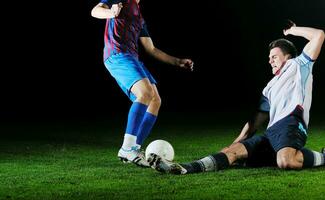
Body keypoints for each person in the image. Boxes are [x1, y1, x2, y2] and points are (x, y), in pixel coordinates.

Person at [147, 21, 325, 174]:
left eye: (274, 56)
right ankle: (184, 168)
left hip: (291, 124)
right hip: (271, 133)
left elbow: (319, 35)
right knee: (233, 154)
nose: (270, 60)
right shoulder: (269, 88)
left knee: (286, 161)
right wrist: (233, 145)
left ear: (288, 56)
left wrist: (291, 31)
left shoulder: (299, 65)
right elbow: (254, 124)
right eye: (269, 57)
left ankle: (322, 156)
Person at [91, 0, 194, 167]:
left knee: (155, 101)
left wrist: (177, 61)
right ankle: (127, 148)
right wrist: (112, 12)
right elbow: (95, 11)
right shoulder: (121, 1)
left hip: (132, 58)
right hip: (118, 55)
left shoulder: (139, 16)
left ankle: (134, 149)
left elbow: (151, 49)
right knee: (145, 93)